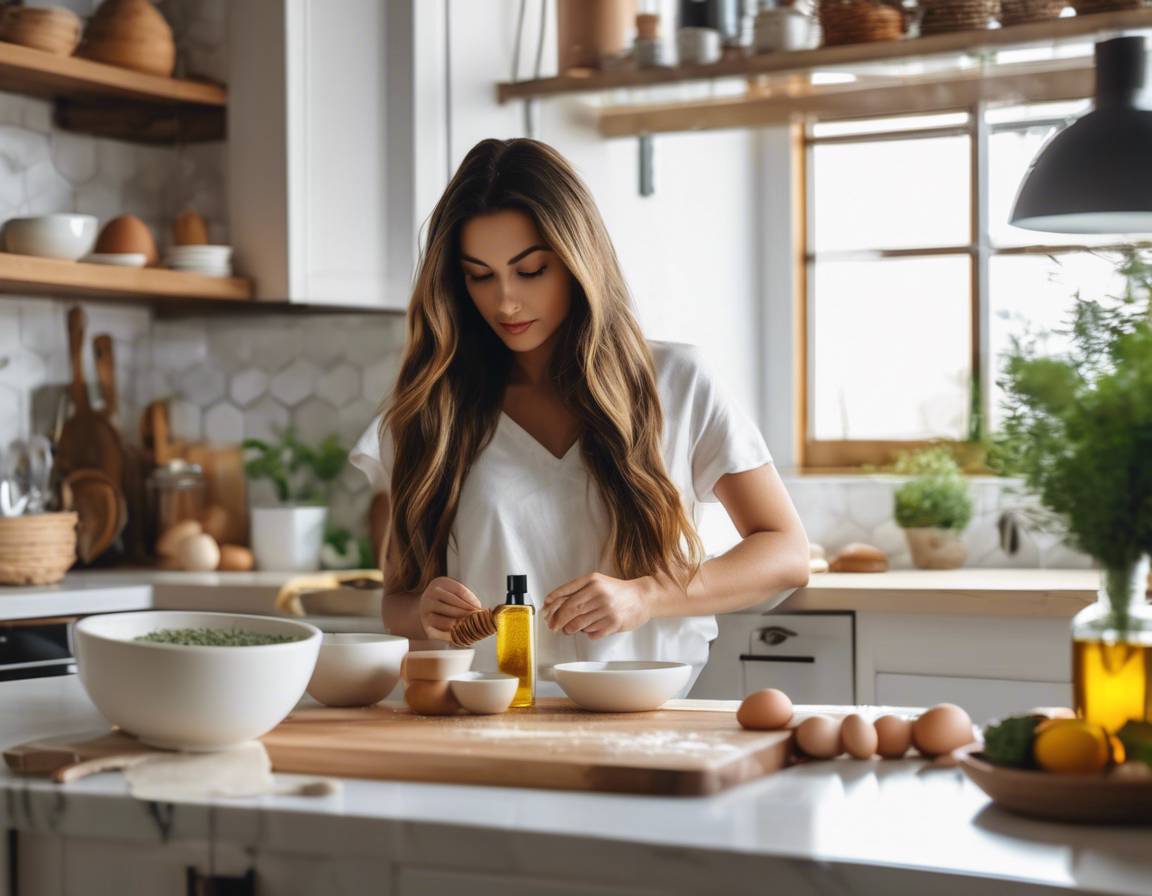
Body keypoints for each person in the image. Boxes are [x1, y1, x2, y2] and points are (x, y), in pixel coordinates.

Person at [350, 137, 809, 695]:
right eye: (479, 275)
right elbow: (396, 599)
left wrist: (646, 595)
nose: (506, 302)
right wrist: (423, 611)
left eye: (532, 269)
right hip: (489, 724)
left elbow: (786, 552)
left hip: (645, 721)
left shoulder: (676, 381)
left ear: (577, 260)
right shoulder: (429, 410)